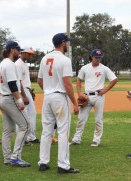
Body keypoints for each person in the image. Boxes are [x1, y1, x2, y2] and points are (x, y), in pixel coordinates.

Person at [37, 33, 79, 174]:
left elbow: (39, 81)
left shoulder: (44, 58)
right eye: (66, 42)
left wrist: (48, 91)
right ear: (62, 43)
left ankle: (43, 162)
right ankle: (63, 165)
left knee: (46, 131)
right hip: (60, 97)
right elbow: (67, 84)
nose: (67, 44)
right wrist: (75, 103)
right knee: (63, 132)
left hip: (47, 97)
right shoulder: (64, 60)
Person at [70, 49, 118, 147]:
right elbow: (79, 80)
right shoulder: (85, 68)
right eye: (96, 57)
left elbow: (114, 79)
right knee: (81, 119)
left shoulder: (104, 68)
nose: (98, 59)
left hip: (98, 96)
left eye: (99, 57)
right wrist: (79, 93)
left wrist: (105, 90)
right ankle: (76, 139)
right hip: (86, 96)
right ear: (91, 56)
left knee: (98, 119)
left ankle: (96, 140)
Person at [0, 41, 30, 167]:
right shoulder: (9, 64)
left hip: (2, 98)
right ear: (11, 50)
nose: (18, 52)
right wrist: (20, 100)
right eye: (17, 49)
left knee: (7, 131)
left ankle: (7, 158)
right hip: (10, 99)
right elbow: (12, 85)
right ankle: (15, 157)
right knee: (25, 126)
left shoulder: (2, 64)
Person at [15, 47, 40, 144]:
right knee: (22, 115)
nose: (30, 56)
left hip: (26, 90)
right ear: (23, 53)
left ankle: (31, 136)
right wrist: (24, 96)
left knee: (31, 114)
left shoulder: (24, 64)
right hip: (22, 91)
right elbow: (19, 82)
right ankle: (23, 138)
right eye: (29, 54)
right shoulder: (18, 64)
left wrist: (29, 91)